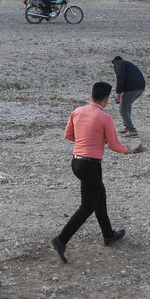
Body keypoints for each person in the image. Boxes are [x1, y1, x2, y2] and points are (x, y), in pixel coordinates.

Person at [50, 81, 133, 264]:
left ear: (91, 96)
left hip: (76, 162)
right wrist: (128, 150)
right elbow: (113, 145)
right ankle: (61, 239)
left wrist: (89, 140)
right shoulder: (105, 117)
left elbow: (68, 136)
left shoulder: (77, 111)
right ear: (106, 100)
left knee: (99, 196)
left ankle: (108, 234)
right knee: (87, 207)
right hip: (91, 165)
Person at [112, 56, 146, 137]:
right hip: (141, 87)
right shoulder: (127, 64)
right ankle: (127, 127)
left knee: (123, 109)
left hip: (132, 88)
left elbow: (120, 77)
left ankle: (132, 130)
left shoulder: (118, 63)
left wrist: (118, 93)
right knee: (127, 106)